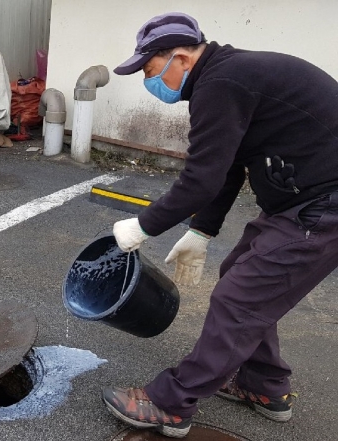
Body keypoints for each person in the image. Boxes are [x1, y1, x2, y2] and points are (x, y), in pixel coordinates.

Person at [102, 12, 338, 438]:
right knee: (242, 279)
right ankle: (263, 386)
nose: (149, 82)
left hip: (323, 206)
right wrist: (201, 231)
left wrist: (143, 226)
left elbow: (200, 178)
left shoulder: (223, 82)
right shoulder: (225, 77)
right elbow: (226, 166)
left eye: (150, 70)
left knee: (240, 297)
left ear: (180, 58)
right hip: (303, 200)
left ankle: (171, 404)